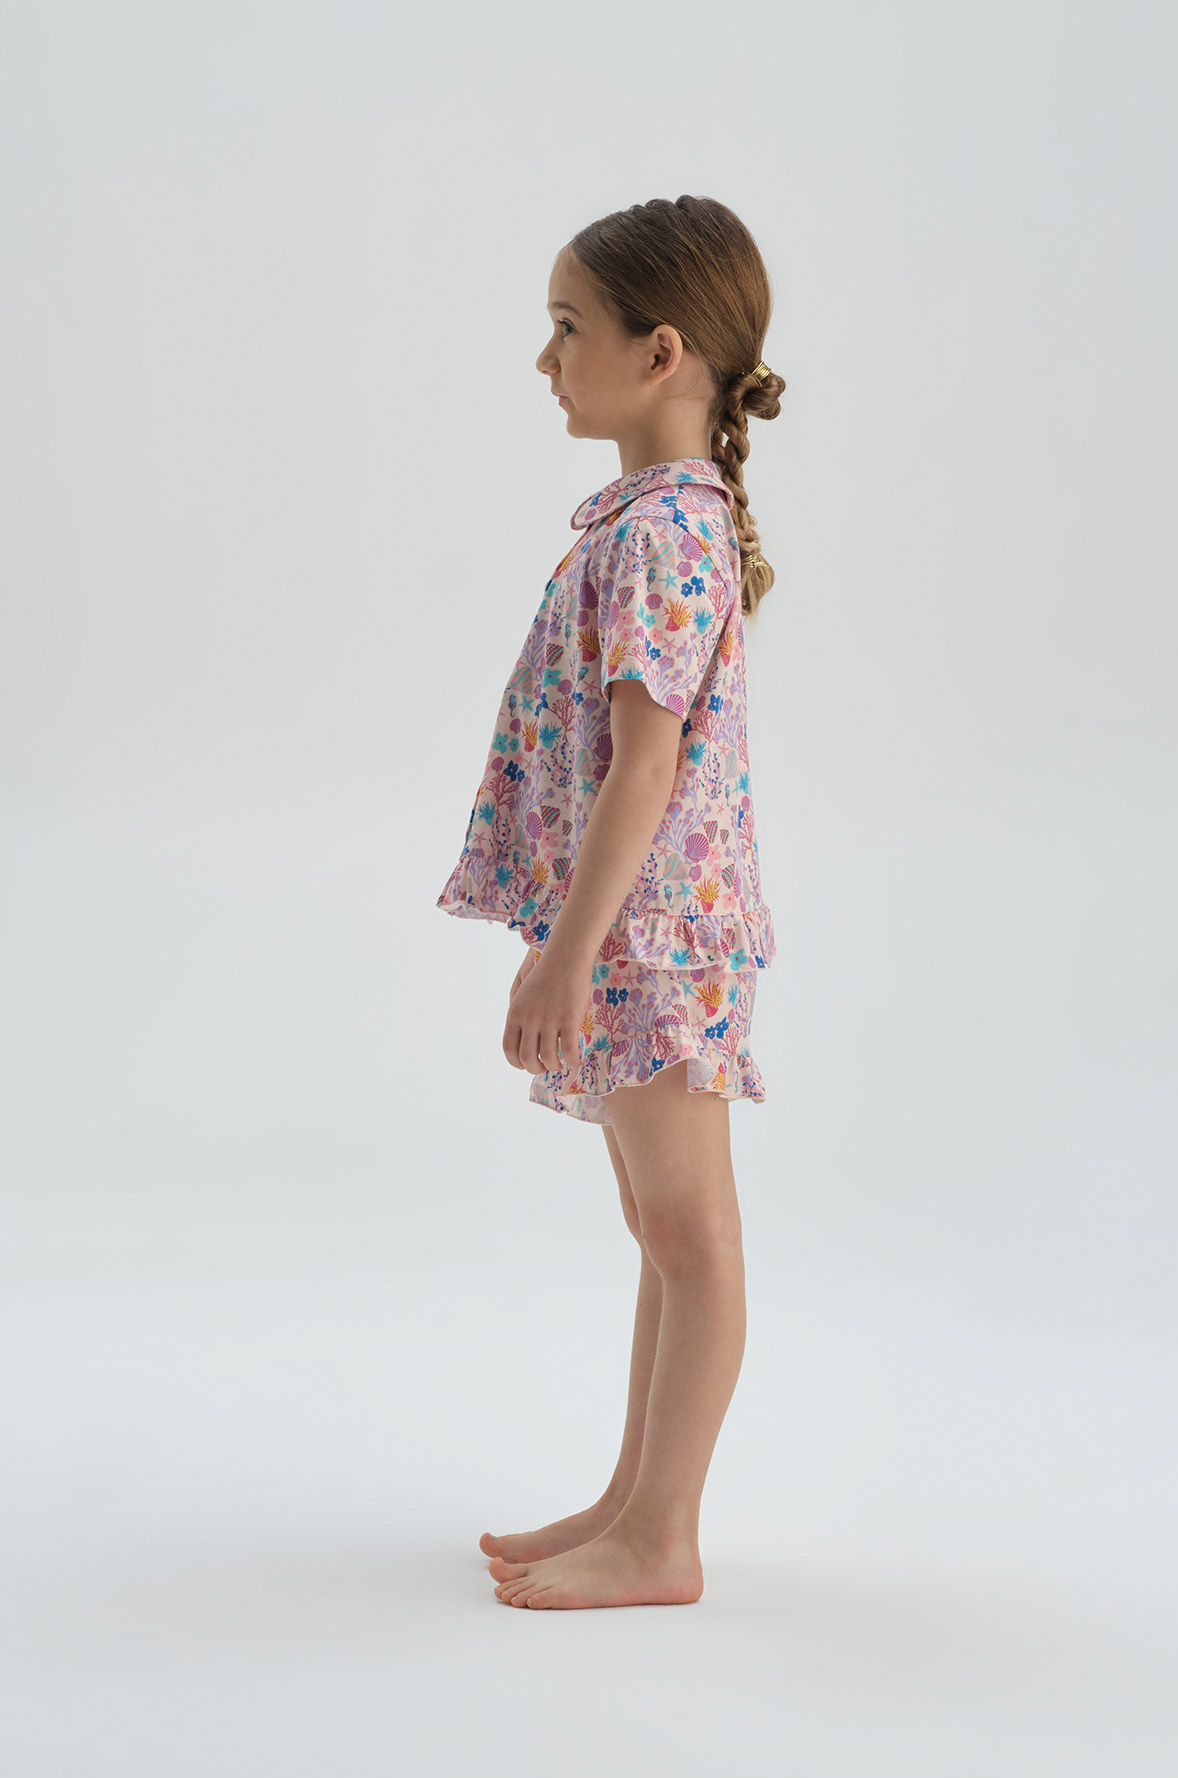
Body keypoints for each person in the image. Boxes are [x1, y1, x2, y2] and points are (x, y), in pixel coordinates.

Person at [435, 194, 784, 1609]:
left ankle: (663, 1538)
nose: (547, 359)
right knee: (661, 1230)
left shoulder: (665, 534)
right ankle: (634, 1501)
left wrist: (563, 958)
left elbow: (646, 767)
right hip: (646, 927)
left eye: (567, 327)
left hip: (653, 935)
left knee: (691, 1237)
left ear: (661, 351)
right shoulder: (650, 520)